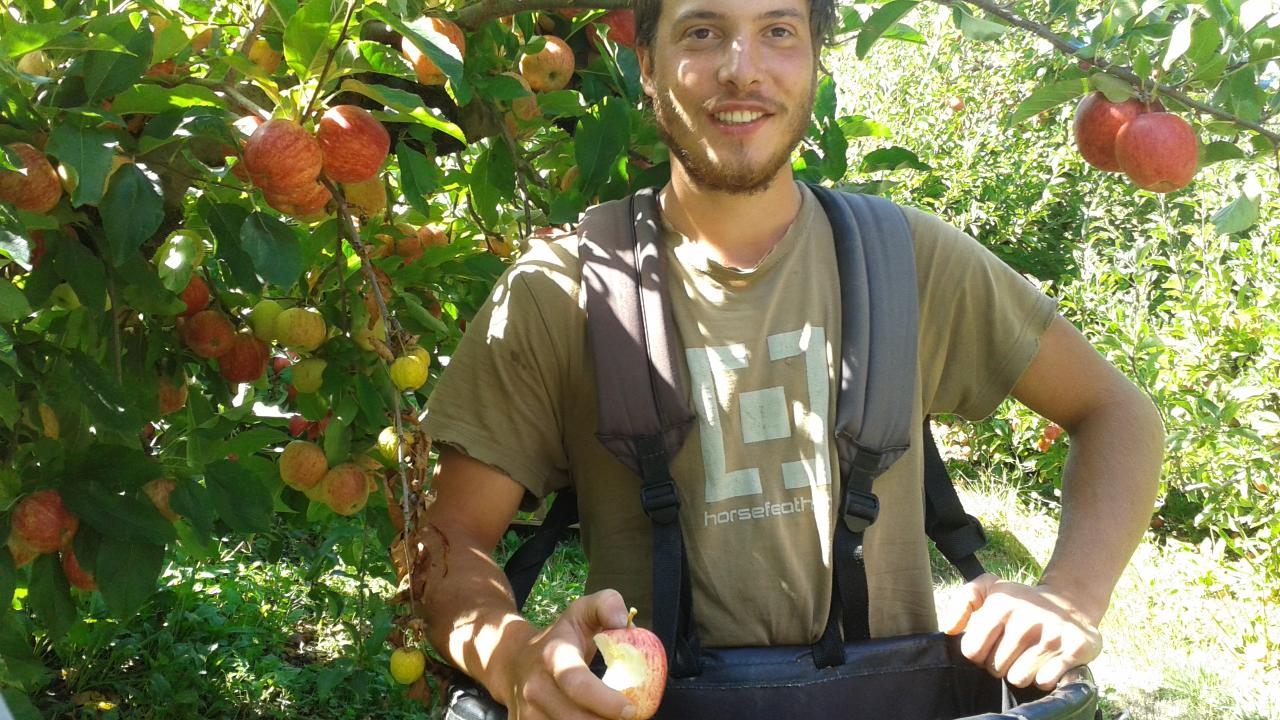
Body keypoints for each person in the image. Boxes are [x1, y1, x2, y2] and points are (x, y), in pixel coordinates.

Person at [410, 1, 1165, 718]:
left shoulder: (907, 260)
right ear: (645, 62)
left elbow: (1117, 414)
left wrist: (1070, 594)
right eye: (702, 32)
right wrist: (514, 660)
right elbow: (448, 541)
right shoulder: (563, 291)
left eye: (777, 30)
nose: (742, 69)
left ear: (814, 60)